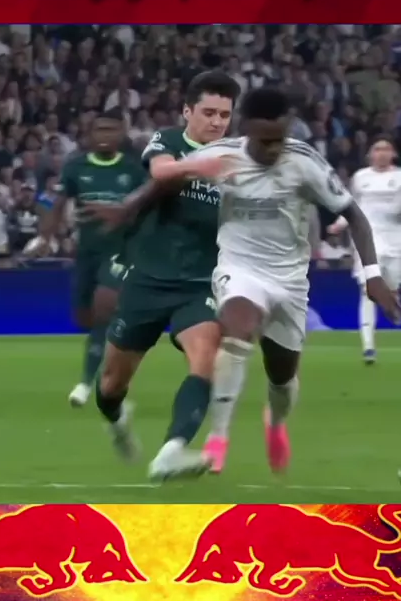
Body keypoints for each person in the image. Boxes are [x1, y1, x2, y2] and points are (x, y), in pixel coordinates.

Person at [154, 88, 400, 474]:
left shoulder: (304, 162)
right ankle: (218, 438)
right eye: (265, 140)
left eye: (279, 139)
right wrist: (128, 213)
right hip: (239, 267)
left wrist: (373, 276)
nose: (273, 148)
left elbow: (353, 214)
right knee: (236, 332)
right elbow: (163, 184)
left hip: (289, 280)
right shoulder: (218, 157)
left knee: (282, 376)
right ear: (246, 129)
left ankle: (276, 421)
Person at [91, 71, 240, 480]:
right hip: (148, 278)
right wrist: (207, 166)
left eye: (224, 115)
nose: (216, 122)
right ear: (188, 112)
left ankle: (173, 450)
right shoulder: (170, 140)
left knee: (205, 355)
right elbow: (161, 173)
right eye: (208, 112)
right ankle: (117, 420)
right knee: (110, 385)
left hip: (202, 281)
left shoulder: (239, 158)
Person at [30, 110, 146, 406]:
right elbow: (57, 204)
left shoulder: (133, 170)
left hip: (120, 253)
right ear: (90, 134)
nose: (105, 136)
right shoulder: (76, 167)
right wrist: (45, 237)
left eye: (111, 130)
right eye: (100, 130)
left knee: (103, 309)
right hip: (86, 254)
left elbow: (146, 208)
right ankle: (117, 359)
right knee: (85, 318)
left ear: (121, 134)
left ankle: (85, 383)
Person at [328, 135, 401, 364]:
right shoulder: (360, 178)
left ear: (393, 154)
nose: (381, 153)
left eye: (386, 149)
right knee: (367, 290)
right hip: (367, 240)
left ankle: (392, 306)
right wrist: (339, 224)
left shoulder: (399, 177)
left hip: (395, 241)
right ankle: (368, 347)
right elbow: (352, 207)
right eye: (377, 149)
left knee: (391, 290)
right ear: (370, 154)